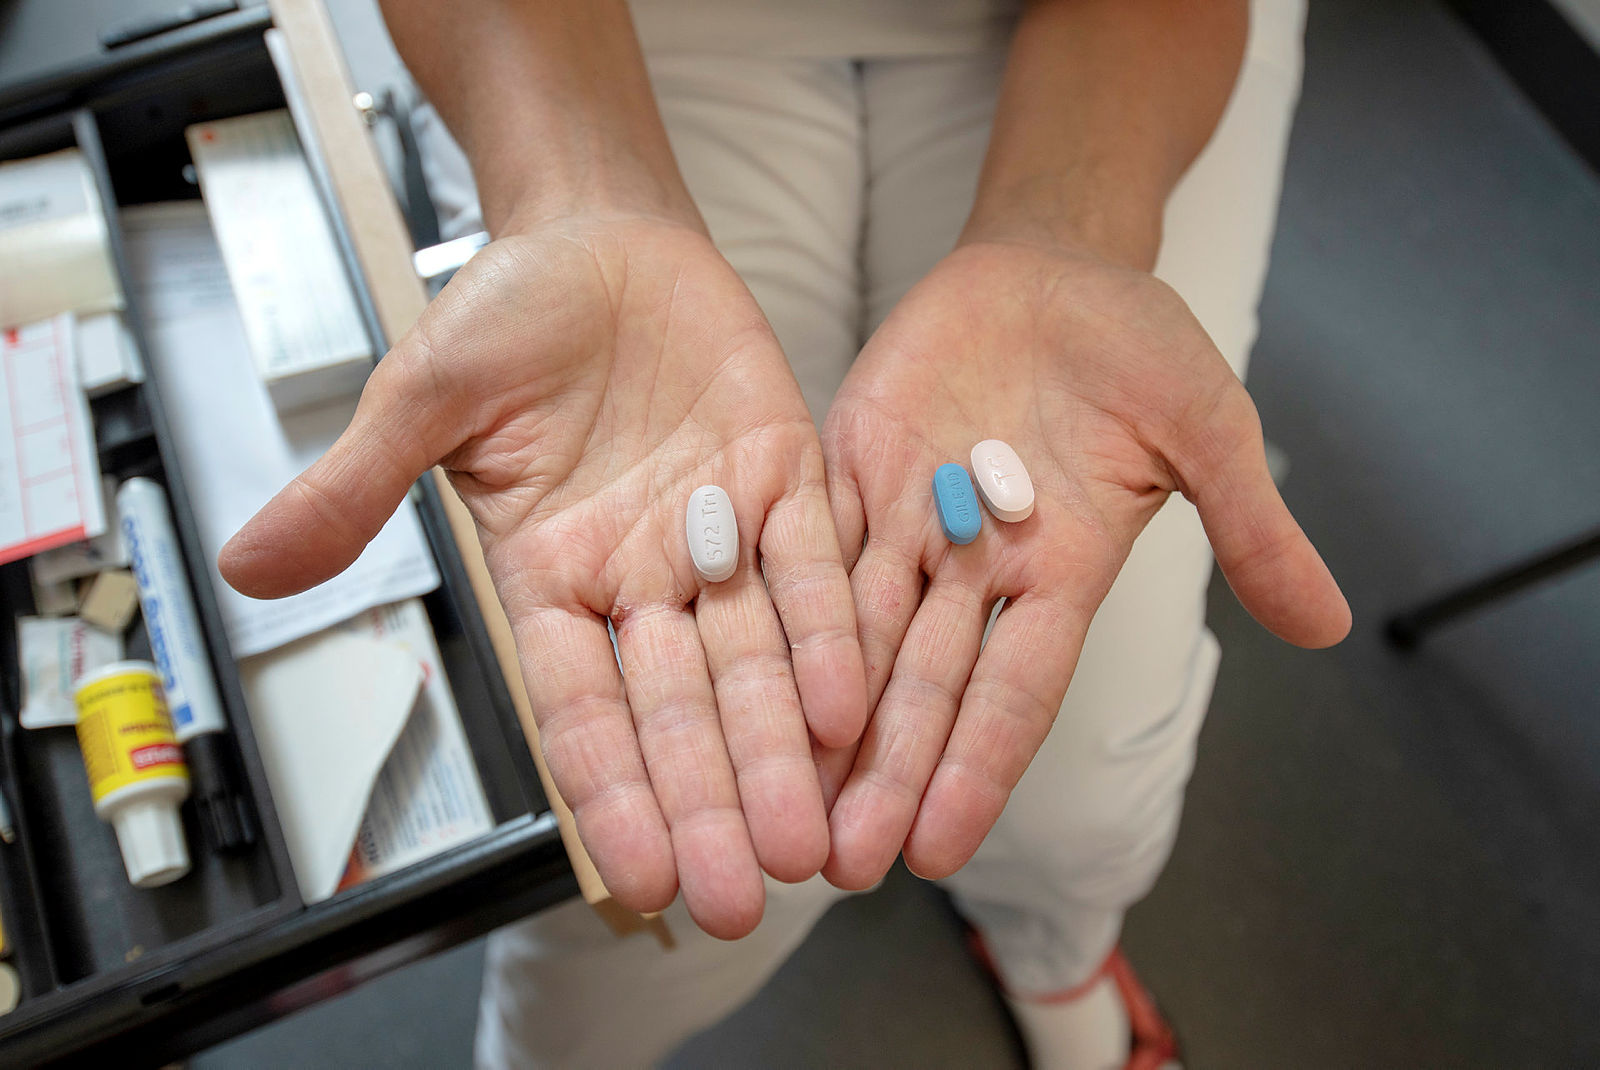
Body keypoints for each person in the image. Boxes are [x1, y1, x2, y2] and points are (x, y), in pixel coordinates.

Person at [220, 0, 1350, 1065]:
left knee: (1077, 780)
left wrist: (1069, 238)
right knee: (702, 797)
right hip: (611, 46)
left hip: (1101, 43)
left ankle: (1050, 950)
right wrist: (583, 201)